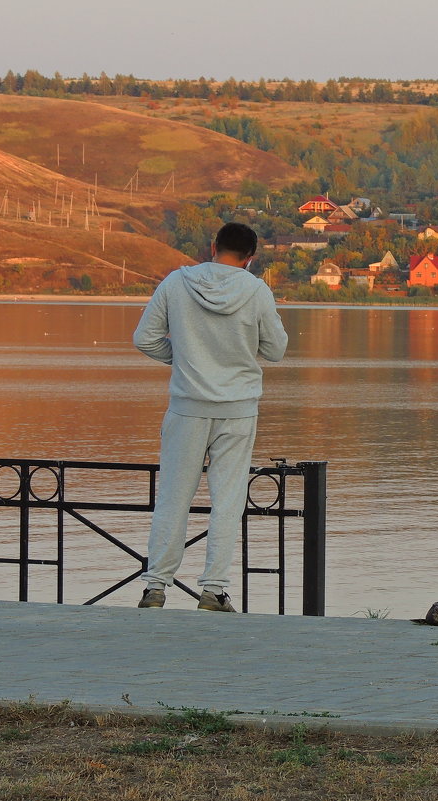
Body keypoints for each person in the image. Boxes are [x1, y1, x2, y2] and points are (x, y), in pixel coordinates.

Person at [133, 222, 288, 611]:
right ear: (251, 258)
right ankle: (214, 591)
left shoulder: (176, 282)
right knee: (228, 500)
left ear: (213, 245)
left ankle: (155, 587)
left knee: (172, 498)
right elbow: (276, 350)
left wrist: (186, 361)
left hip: (187, 408)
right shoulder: (256, 290)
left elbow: (144, 338)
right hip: (237, 410)